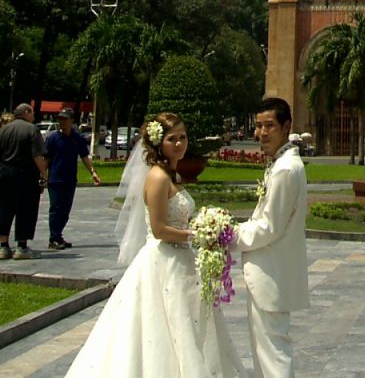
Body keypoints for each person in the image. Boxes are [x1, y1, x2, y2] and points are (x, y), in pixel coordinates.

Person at [65, 112, 246, 377]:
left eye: (183, 137)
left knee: (188, 324)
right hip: (163, 259)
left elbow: (179, 216)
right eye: (172, 139)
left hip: (181, 258)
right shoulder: (158, 177)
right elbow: (160, 229)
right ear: (158, 143)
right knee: (163, 326)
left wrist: (206, 223)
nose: (179, 144)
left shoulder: (174, 174)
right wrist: (198, 235)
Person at [235, 97, 309, 378]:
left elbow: (269, 227)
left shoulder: (286, 169)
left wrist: (229, 235)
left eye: (269, 126)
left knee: (273, 354)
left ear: (286, 126)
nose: (262, 133)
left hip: (272, 273)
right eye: (258, 126)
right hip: (269, 272)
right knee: (265, 352)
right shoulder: (281, 164)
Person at [45, 108, 101, 250]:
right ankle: (54, 238)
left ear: (72, 121)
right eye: (60, 119)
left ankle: (58, 235)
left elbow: (84, 157)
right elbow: (46, 159)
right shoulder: (52, 139)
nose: (62, 122)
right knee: (55, 208)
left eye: (65, 119)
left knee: (65, 211)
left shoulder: (77, 139)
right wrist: (42, 176)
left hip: (70, 179)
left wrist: (93, 172)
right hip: (55, 179)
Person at [0, 103, 47, 260]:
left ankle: (3, 246)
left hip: (5, 173)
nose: (33, 116)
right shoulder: (31, 129)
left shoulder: (4, 129)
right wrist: (44, 174)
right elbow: (37, 156)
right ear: (26, 112)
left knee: (5, 208)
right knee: (25, 209)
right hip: (25, 174)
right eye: (32, 112)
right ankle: (22, 246)